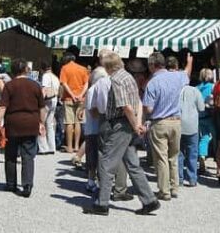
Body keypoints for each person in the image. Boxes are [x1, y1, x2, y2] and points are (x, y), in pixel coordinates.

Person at [83, 52, 160, 216]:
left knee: (106, 163)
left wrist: (135, 125)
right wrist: (137, 124)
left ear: (108, 66)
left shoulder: (116, 80)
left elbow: (126, 106)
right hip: (128, 125)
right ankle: (149, 200)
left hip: (119, 125)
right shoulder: (129, 77)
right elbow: (137, 102)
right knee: (133, 164)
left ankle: (102, 204)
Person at [0, 58, 47, 196]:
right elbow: (42, 108)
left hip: (13, 123)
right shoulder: (35, 86)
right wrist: (42, 123)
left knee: (11, 155)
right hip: (31, 122)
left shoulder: (10, 86)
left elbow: (2, 106)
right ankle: (27, 185)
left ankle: (11, 184)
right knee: (28, 155)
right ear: (26, 69)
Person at [142, 53, 190, 200]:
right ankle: (174, 187)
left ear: (152, 65)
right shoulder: (178, 77)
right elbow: (187, 73)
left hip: (160, 122)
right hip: (176, 121)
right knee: (173, 156)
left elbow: (148, 108)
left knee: (161, 158)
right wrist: (189, 61)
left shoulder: (152, 83)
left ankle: (164, 190)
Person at [59, 53, 89, 156]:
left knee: (69, 122)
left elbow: (64, 83)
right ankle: (77, 146)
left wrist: (72, 95)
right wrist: (80, 94)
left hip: (68, 98)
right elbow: (86, 83)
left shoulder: (64, 68)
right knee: (78, 122)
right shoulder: (83, 69)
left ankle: (70, 147)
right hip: (81, 98)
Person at [84, 65, 108, 193]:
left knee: (96, 156)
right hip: (94, 129)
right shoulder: (93, 89)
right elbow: (93, 111)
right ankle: (91, 181)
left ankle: (94, 180)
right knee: (93, 157)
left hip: (95, 129)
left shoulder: (94, 89)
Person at [178, 77, 205, 187]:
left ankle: (179, 178)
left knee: (178, 153)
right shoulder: (195, 91)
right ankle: (192, 178)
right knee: (192, 153)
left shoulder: (176, 91)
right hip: (192, 125)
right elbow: (201, 108)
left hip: (178, 124)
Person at [38, 61, 60, 155]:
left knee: (41, 123)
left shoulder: (45, 76)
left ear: (42, 69)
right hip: (54, 100)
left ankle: (43, 148)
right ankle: (52, 147)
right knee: (50, 124)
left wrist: (40, 101)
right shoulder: (55, 77)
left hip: (47, 101)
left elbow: (44, 89)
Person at [196, 68, 215, 175]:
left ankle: (202, 158)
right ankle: (219, 167)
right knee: (216, 139)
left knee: (204, 137)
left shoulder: (197, 88)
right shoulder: (212, 87)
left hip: (199, 116)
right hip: (210, 115)